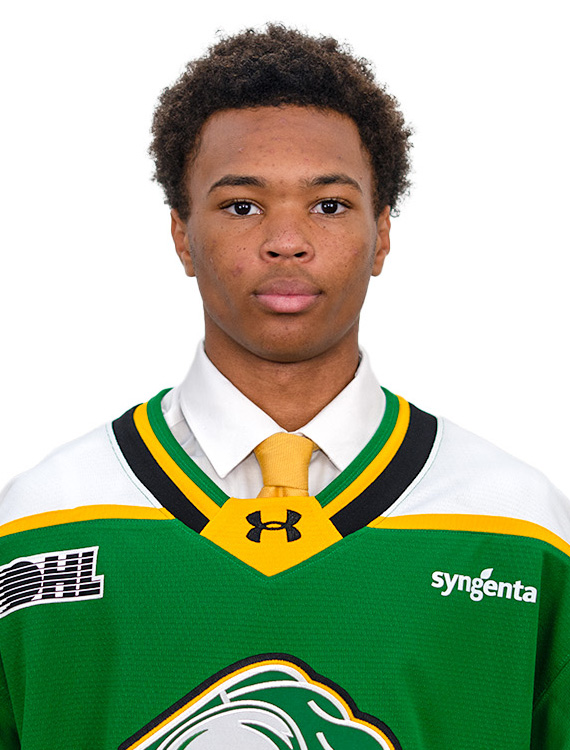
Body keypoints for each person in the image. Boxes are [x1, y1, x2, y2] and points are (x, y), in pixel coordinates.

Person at [0, 24, 568, 750]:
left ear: (382, 235)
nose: (287, 242)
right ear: (181, 236)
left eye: (328, 205)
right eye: (243, 206)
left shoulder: (519, 525)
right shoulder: (41, 518)